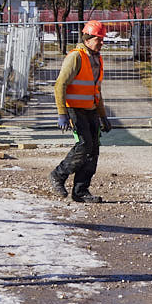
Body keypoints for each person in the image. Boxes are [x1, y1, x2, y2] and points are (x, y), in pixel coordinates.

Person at [49, 20, 111, 203]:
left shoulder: (97, 59)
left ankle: (81, 191)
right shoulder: (76, 57)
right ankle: (58, 175)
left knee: (93, 151)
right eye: (98, 39)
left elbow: (96, 90)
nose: (101, 43)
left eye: (102, 39)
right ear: (87, 38)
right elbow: (60, 84)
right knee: (83, 146)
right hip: (75, 110)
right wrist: (62, 113)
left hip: (91, 110)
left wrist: (103, 116)